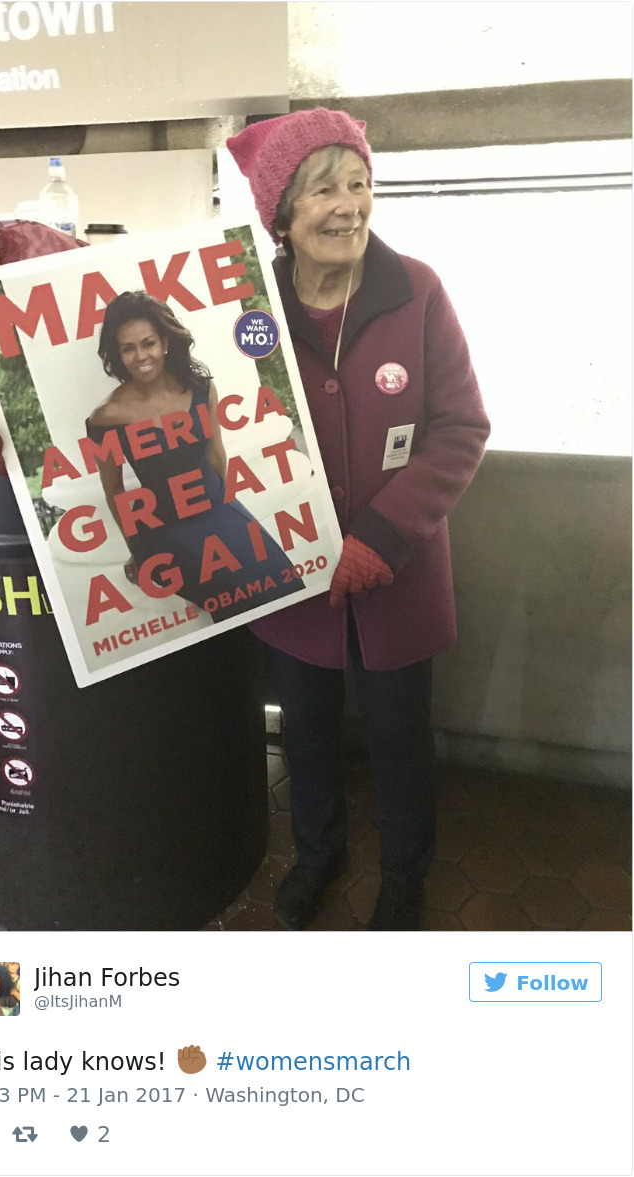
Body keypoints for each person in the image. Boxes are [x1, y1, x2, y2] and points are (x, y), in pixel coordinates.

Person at [226, 107, 490, 930]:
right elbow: (171, 413)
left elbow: (459, 427)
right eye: (323, 190)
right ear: (282, 213)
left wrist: (382, 536)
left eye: (360, 183)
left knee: (400, 738)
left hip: (396, 576)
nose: (348, 205)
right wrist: (21, 439)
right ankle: (318, 854)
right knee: (304, 732)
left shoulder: (415, 289)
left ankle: (405, 877)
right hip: (289, 571)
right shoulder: (240, 304)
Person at [85, 291, 303, 620]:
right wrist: (139, 553)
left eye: (148, 343)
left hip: (218, 507)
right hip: (169, 530)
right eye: (127, 348)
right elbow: (115, 490)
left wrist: (233, 516)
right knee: (238, 602)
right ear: (117, 353)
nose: (141, 356)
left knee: (287, 587)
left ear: (166, 343)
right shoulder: (106, 417)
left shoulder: (200, 389)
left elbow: (217, 455)